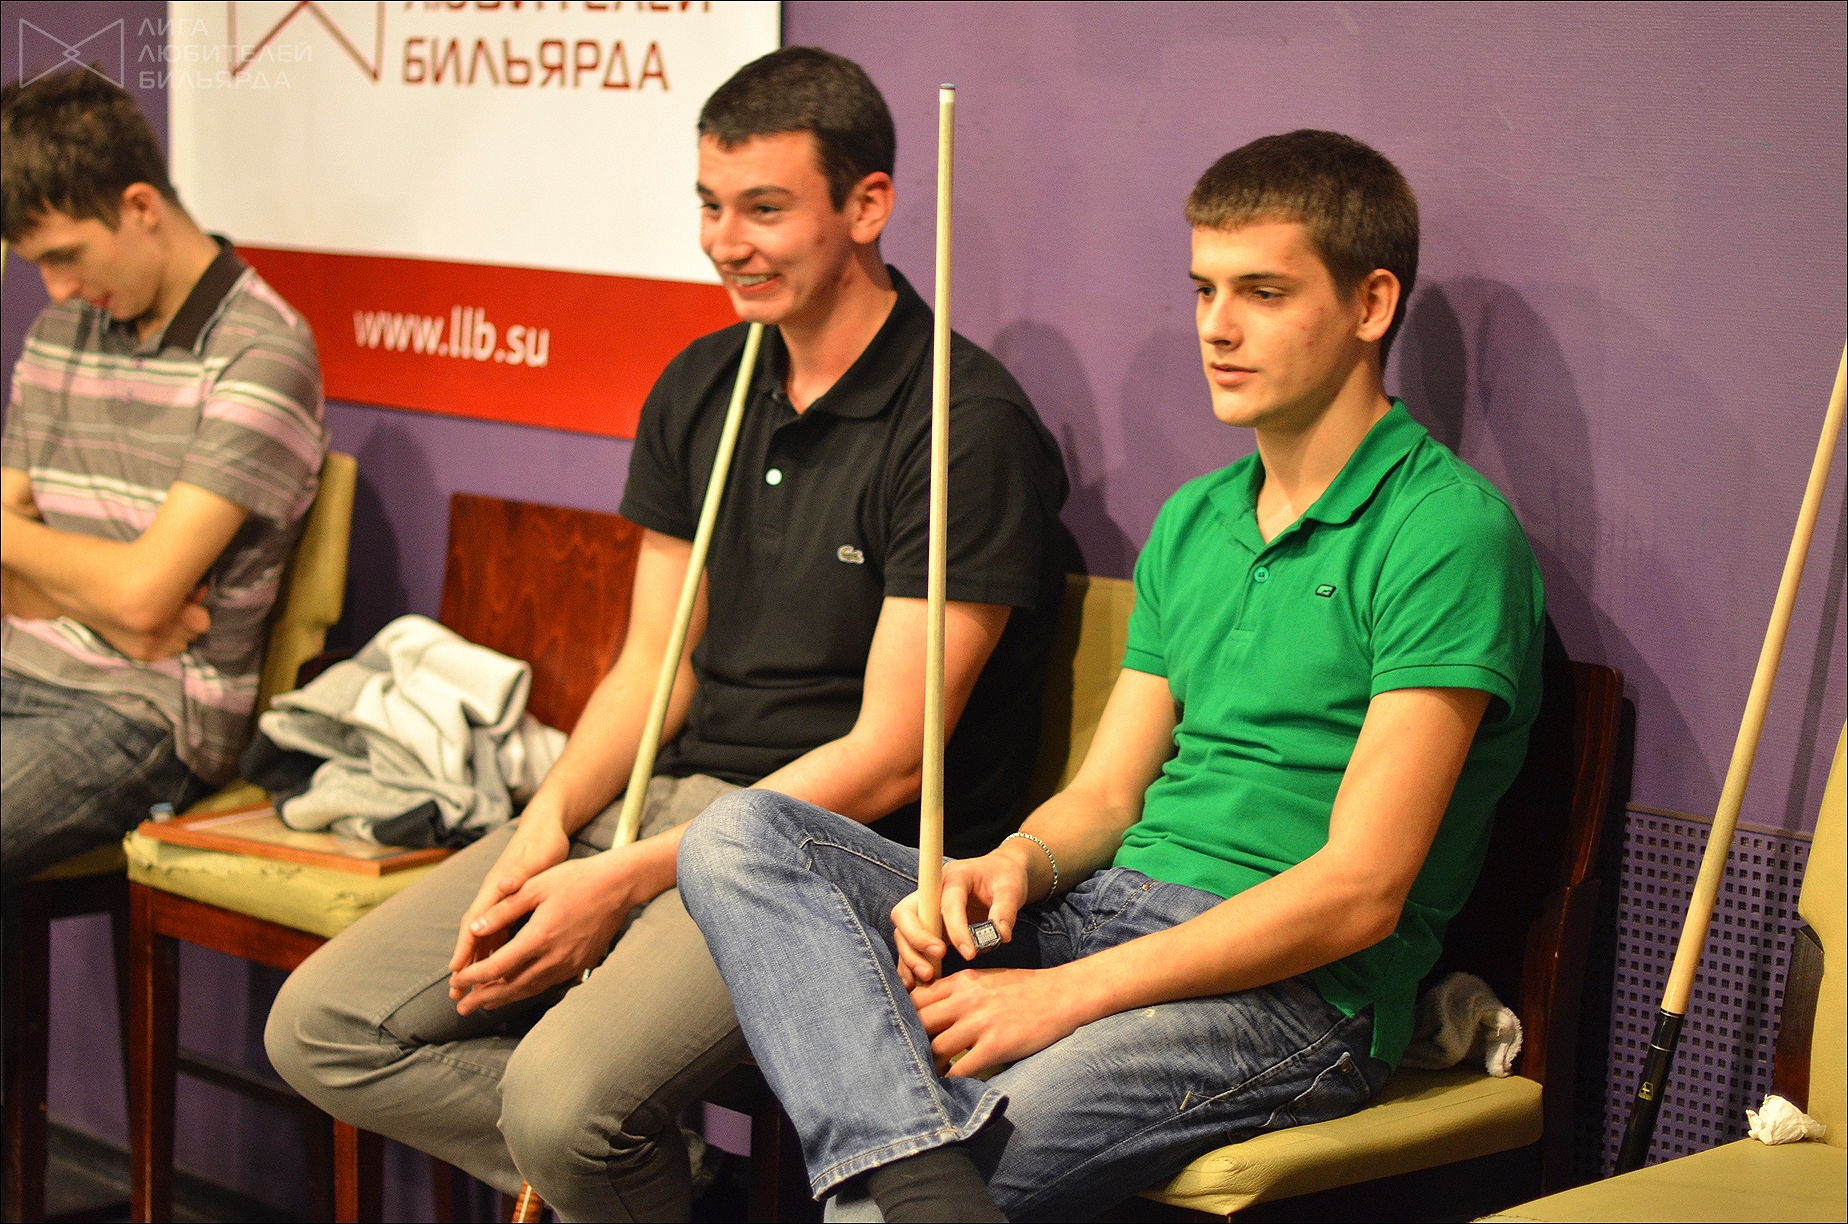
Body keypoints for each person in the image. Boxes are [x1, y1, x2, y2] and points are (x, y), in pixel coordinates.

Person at [679, 129, 1546, 1223]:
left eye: (1263, 293)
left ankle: (906, 1183)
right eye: (1205, 289)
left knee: (871, 1215)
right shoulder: (1195, 519)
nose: (1217, 327)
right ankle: (914, 1171)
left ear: (1371, 304)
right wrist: (1013, 862)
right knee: (742, 838)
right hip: (1104, 914)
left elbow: (1358, 892)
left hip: (1286, 996)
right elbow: (1105, 797)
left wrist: (1064, 997)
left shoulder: (1446, 532)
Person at [264, 47, 1071, 1222]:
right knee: (323, 1027)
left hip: (818, 857)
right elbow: (654, 667)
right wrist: (547, 825)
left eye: (764, 210)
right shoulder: (704, 383)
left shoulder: (964, 424)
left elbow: (894, 754)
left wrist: (623, 882)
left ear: (868, 206)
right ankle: (671, 1187)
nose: (724, 242)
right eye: (709, 205)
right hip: (665, 803)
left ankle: (607, 1165)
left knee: (560, 1110)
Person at [1, 70, 325, 892]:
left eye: (65, 256)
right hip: (17, 666)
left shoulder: (263, 350)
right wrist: (107, 602)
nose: (56, 289)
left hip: (143, 713)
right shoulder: (61, 329)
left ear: (141, 206)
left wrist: (104, 598)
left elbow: (147, 599)